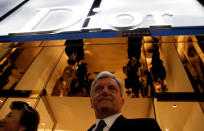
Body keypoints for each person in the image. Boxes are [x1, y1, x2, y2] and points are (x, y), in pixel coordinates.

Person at [88, 71, 161, 131]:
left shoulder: (147, 127)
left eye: (111, 88)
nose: (105, 91)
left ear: (122, 101)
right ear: (91, 102)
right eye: (99, 88)